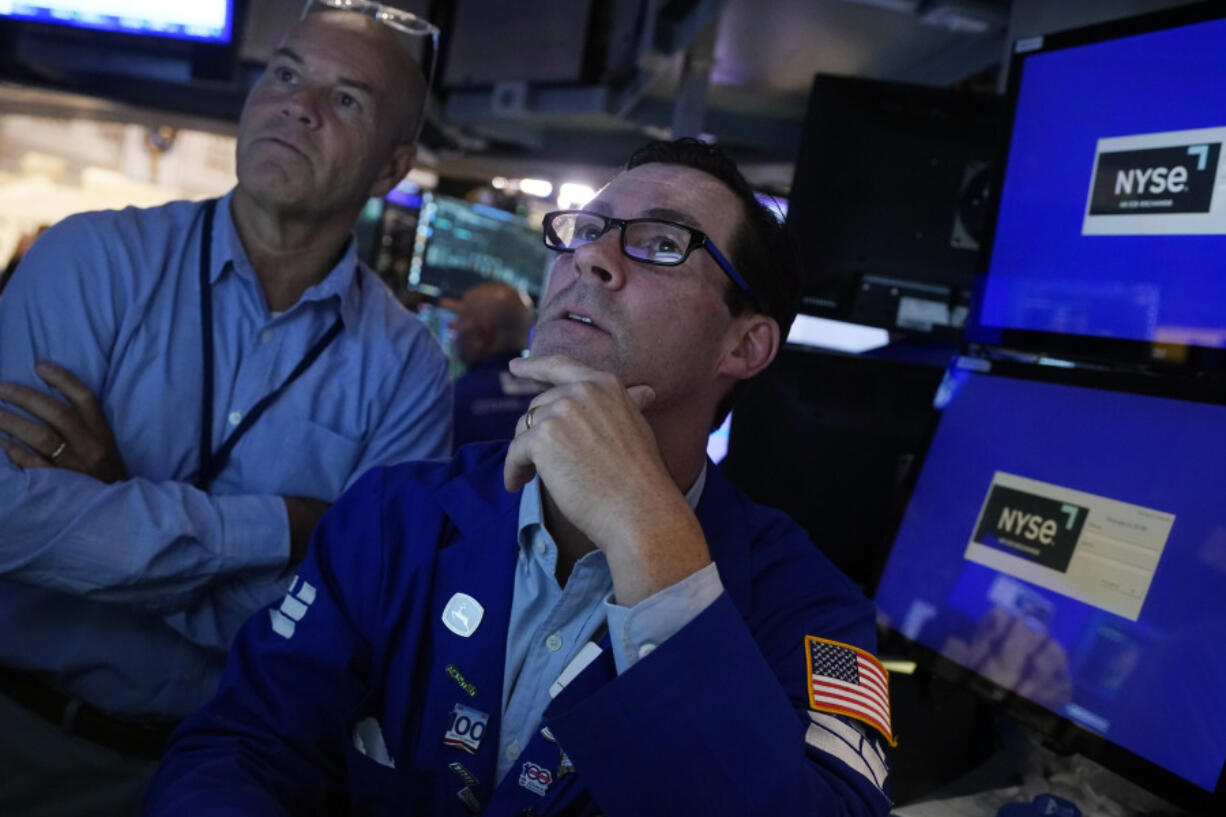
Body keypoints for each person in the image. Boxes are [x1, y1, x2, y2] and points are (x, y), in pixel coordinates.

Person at [145, 138, 893, 816]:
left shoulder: (812, 608)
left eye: (663, 243)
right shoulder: (395, 515)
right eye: (587, 230)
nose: (592, 258)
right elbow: (239, 749)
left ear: (747, 343)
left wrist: (647, 529)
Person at [0, 6, 451, 815]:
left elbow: (351, 634)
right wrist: (281, 527)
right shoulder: (89, 258)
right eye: (284, 73)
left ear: (391, 167)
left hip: (219, 779)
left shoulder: (409, 369)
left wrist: (115, 496)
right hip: (16, 733)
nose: (297, 105)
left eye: (346, 98)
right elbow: (9, 518)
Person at [450, 281, 542, 448]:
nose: (454, 326)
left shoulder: (453, 401)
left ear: (481, 335)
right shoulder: (550, 396)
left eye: (460, 317)